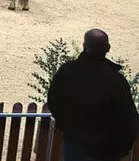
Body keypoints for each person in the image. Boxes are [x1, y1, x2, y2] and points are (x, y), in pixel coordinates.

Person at [48, 29, 139, 161]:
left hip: (74, 144)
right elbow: (127, 117)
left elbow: (53, 102)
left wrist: (66, 125)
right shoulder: (116, 80)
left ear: (84, 46)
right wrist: (122, 148)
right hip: (106, 150)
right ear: (108, 48)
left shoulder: (68, 71)